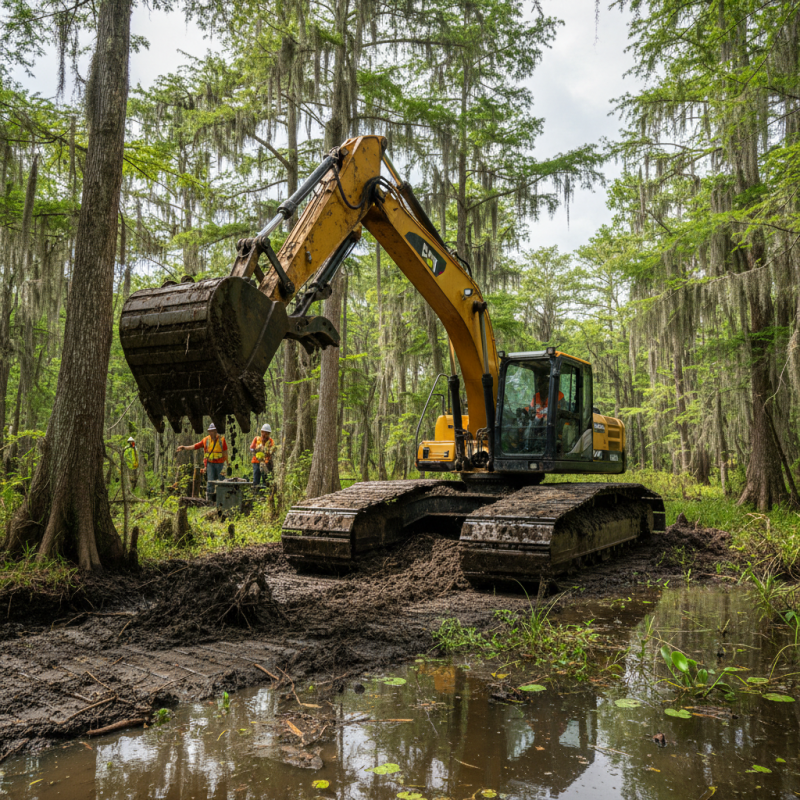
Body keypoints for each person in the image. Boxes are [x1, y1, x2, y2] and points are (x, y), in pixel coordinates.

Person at [176, 423, 229, 500]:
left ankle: (223, 498)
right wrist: (184, 447)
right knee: (210, 481)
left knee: (222, 480)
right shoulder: (206, 440)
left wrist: (227, 463)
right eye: (209, 431)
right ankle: (209, 500)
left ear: (216, 431)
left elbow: (225, 452)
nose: (211, 433)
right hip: (210, 464)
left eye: (212, 431)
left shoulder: (222, 440)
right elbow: (195, 446)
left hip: (220, 464)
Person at [250, 423, 275, 491]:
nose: (264, 434)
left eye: (266, 433)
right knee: (256, 478)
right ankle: (255, 493)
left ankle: (264, 494)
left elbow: (273, 450)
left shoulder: (271, 441)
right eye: (263, 432)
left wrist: (268, 451)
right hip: (256, 462)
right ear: (261, 432)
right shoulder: (256, 439)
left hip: (266, 463)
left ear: (269, 433)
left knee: (265, 479)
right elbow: (251, 448)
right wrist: (256, 450)